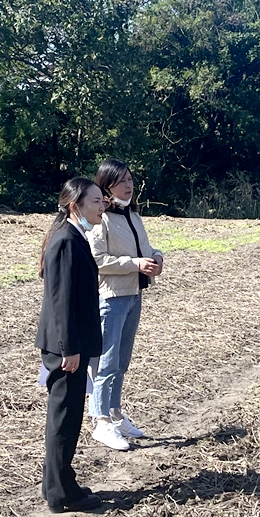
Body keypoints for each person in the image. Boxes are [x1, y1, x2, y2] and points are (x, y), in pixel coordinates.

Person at [35, 177, 106, 513]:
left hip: (70, 344)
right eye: (96, 201)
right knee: (64, 420)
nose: (102, 206)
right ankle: (62, 494)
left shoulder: (72, 236)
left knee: (64, 417)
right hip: (66, 347)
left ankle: (57, 485)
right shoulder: (66, 240)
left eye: (102, 200)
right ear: (75, 206)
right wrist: (69, 348)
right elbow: (61, 301)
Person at [87, 159, 163, 450]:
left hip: (134, 294)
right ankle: (101, 420)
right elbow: (98, 259)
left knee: (121, 361)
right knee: (106, 362)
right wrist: (135, 264)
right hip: (112, 297)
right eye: (121, 181)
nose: (128, 185)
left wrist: (157, 258)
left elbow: (147, 248)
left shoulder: (133, 214)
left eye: (130, 179)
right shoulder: (102, 219)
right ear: (107, 186)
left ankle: (115, 413)